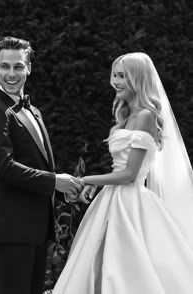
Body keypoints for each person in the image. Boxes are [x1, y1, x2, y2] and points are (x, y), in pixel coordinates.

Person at [52, 52, 193, 294]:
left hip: (130, 202)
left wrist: (87, 179)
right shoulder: (127, 116)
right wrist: (97, 184)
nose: (115, 81)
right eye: (114, 75)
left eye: (122, 76)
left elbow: (129, 175)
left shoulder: (146, 116)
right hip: (113, 198)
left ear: (137, 79)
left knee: (125, 264)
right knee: (99, 260)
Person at [0, 36, 84, 294]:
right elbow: (5, 167)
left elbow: (38, 162)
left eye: (18, 66)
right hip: (12, 230)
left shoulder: (32, 110)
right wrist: (54, 181)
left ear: (29, 68)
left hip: (35, 228)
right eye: (5, 66)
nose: (11, 74)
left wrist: (60, 188)